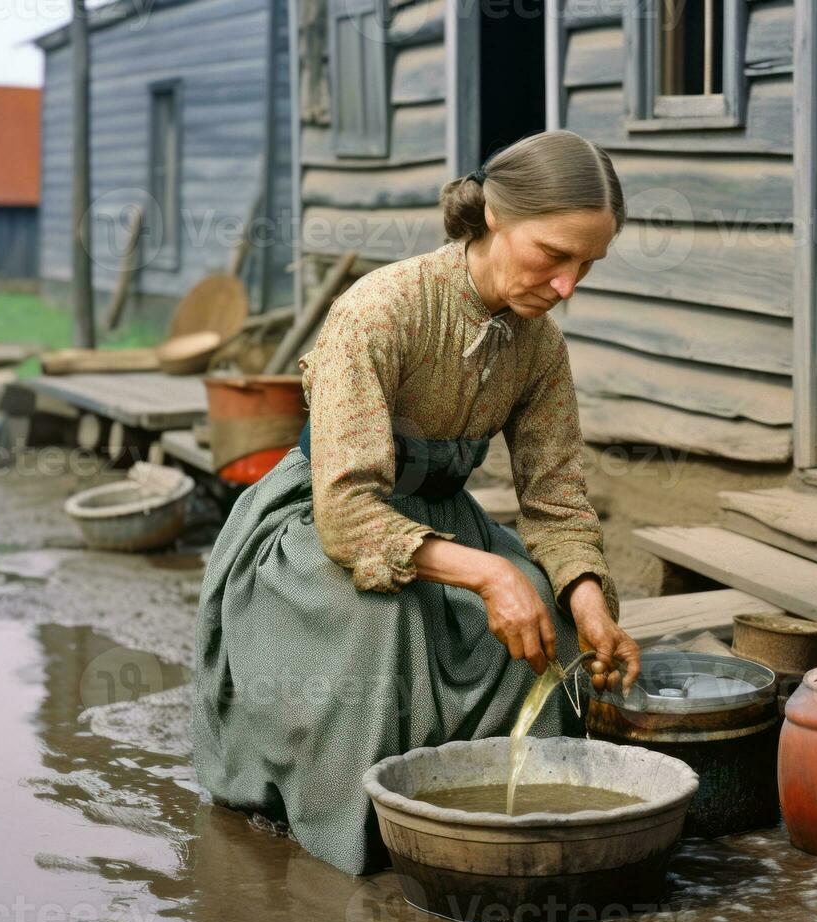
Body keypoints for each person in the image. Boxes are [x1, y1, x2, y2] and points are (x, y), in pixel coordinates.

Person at [191, 130, 641, 875]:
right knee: (384, 621)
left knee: (545, 617)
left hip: (440, 519)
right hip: (317, 526)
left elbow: (556, 500)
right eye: (553, 255)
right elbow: (346, 514)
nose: (567, 286)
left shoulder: (538, 347)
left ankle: (488, 818)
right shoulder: (382, 311)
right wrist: (489, 575)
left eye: (587, 265)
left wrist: (588, 599)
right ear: (495, 215)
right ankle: (358, 824)